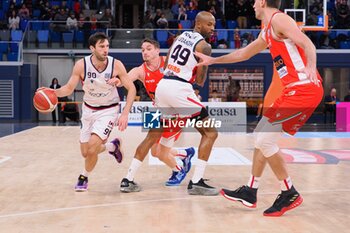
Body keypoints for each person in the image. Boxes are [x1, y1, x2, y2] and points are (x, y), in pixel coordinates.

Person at [195, 0, 323, 216]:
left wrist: (311, 67)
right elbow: (243, 54)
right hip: (292, 90)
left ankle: (289, 192)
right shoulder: (267, 30)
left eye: (255, 1)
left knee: (264, 139)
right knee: (261, 138)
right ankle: (251, 191)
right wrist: (213, 61)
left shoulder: (279, 19)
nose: (252, 5)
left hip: (303, 88)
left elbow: (308, 44)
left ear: (263, 2)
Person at [40, 32, 136, 192]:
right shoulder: (81, 65)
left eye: (107, 46)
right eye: (101, 47)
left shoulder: (116, 64)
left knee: (92, 148)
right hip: (88, 110)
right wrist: (51, 92)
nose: (106, 50)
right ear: (92, 48)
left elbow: (131, 88)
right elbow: (69, 88)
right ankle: (112, 147)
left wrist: (125, 113)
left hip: (108, 110)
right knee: (86, 153)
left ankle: (83, 177)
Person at [155, 11, 219, 196]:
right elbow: (200, 80)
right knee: (211, 133)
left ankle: (181, 158)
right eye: (209, 25)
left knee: (164, 137)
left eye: (213, 25)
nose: (212, 28)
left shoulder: (181, 36)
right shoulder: (204, 46)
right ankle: (197, 181)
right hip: (179, 89)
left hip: (163, 86)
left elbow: (167, 62)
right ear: (198, 24)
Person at [119, 38, 195, 192]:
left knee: (161, 154)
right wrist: (116, 80)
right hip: (157, 110)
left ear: (157, 50)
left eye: (148, 48)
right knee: (154, 152)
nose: (145, 52)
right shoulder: (140, 70)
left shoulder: (168, 62)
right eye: (142, 49)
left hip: (175, 112)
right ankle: (185, 153)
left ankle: (178, 169)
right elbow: (125, 79)